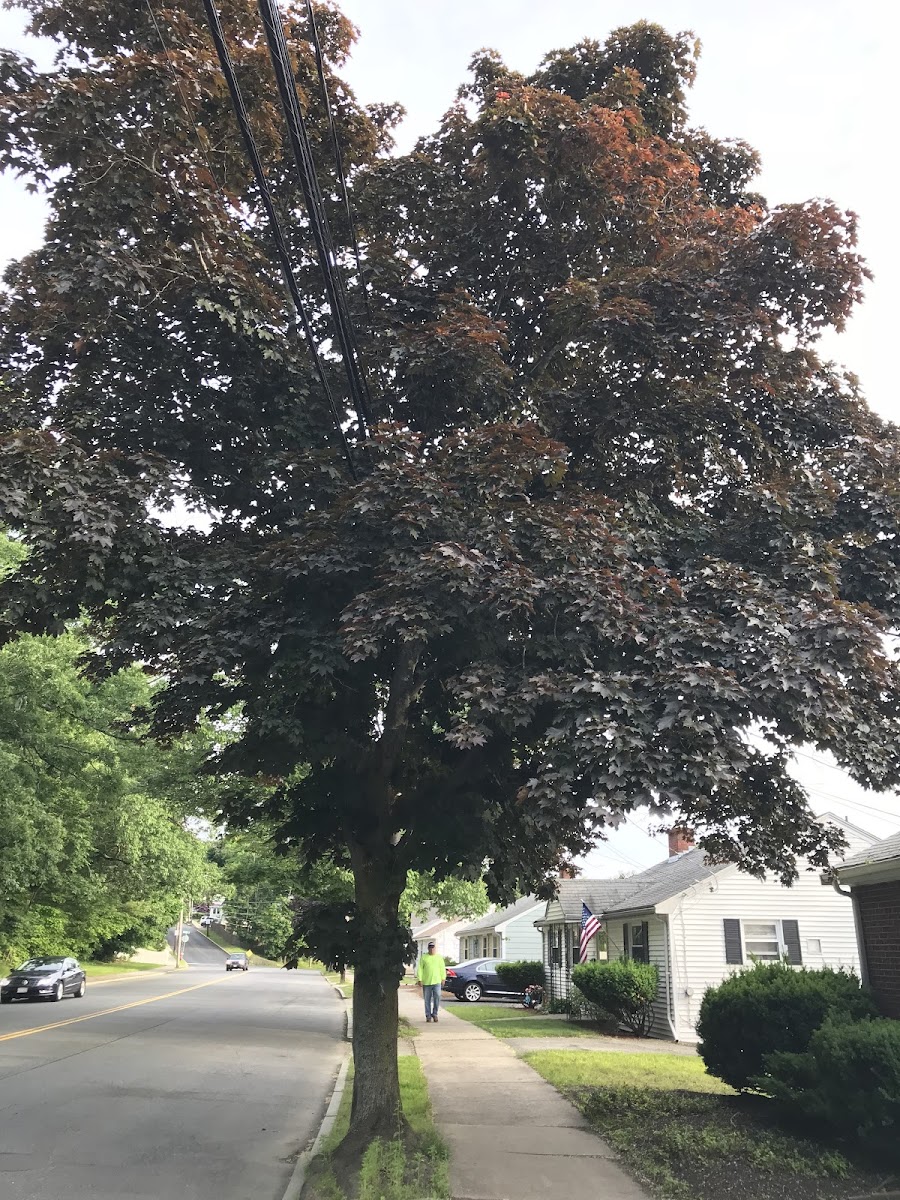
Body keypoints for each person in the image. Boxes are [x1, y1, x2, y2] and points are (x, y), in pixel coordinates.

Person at [416, 940, 446, 1023]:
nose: (432, 949)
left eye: (433, 948)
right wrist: (420, 979)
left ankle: (435, 1013)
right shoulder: (424, 957)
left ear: (435, 948)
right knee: (427, 999)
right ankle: (428, 1015)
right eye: (430, 948)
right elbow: (420, 969)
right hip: (427, 982)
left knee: (437, 996)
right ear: (428, 948)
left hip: (437, 981)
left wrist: (443, 978)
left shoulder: (439, 957)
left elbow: (442, 968)